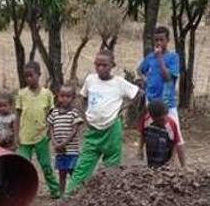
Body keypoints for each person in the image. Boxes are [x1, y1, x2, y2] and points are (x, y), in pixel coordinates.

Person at [65, 50, 140, 195]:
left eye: (104, 65)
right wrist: (83, 116)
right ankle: (68, 199)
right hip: (92, 130)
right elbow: (82, 97)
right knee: (83, 166)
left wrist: (123, 108)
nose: (100, 68)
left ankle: (107, 200)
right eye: (97, 65)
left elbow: (138, 94)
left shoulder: (119, 83)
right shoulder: (90, 80)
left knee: (111, 167)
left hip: (112, 129)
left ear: (112, 65)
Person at [15, 61, 61, 198]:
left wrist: (50, 131)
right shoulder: (22, 94)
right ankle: (21, 193)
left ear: (39, 75)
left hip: (41, 135)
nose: (29, 79)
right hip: (25, 137)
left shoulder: (47, 94)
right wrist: (16, 134)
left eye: (31, 75)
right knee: (22, 165)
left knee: (46, 165)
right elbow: (17, 115)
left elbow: (52, 114)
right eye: (26, 76)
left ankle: (55, 190)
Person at [138, 26, 181, 129]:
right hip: (151, 101)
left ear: (168, 40)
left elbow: (168, 78)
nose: (158, 43)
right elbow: (140, 70)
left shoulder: (173, 57)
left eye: (161, 40)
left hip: (167, 102)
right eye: (156, 40)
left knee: (172, 131)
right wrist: (144, 80)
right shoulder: (150, 57)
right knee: (152, 132)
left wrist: (160, 59)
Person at [47, 86, 84, 193]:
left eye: (68, 96)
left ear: (73, 98)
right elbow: (50, 128)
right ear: (58, 96)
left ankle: (77, 193)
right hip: (59, 151)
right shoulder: (54, 112)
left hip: (71, 150)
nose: (64, 99)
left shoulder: (74, 113)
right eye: (62, 96)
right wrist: (54, 142)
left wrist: (64, 143)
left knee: (73, 172)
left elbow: (74, 130)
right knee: (62, 174)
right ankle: (62, 196)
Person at [138, 100, 186, 169]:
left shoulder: (171, 124)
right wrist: (140, 149)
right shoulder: (146, 120)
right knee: (152, 168)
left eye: (164, 118)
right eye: (161, 120)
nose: (164, 121)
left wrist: (172, 159)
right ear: (153, 117)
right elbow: (143, 134)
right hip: (151, 152)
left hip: (165, 156)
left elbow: (176, 142)